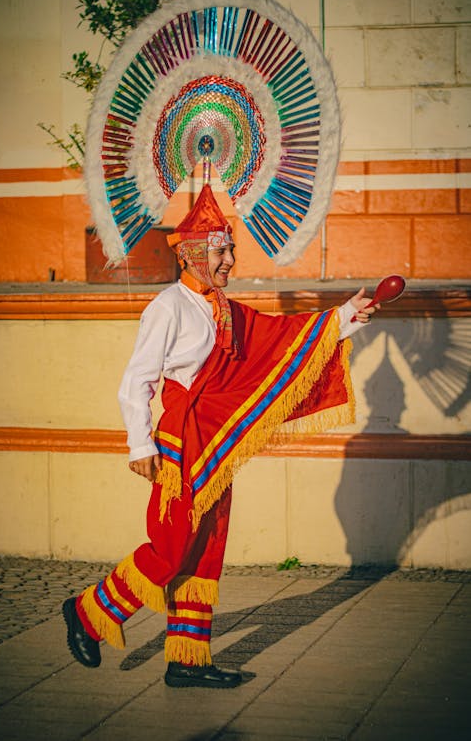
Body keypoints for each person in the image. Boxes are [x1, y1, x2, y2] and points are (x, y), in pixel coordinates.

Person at [62, 184, 379, 688]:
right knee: (171, 546)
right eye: (221, 250)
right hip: (179, 445)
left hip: (215, 450)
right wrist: (139, 445)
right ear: (191, 255)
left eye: (229, 249)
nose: (231, 259)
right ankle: (88, 611)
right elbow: (136, 380)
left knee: (205, 547)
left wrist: (343, 318)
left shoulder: (226, 310)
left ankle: (187, 659)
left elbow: (276, 339)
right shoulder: (167, 307)